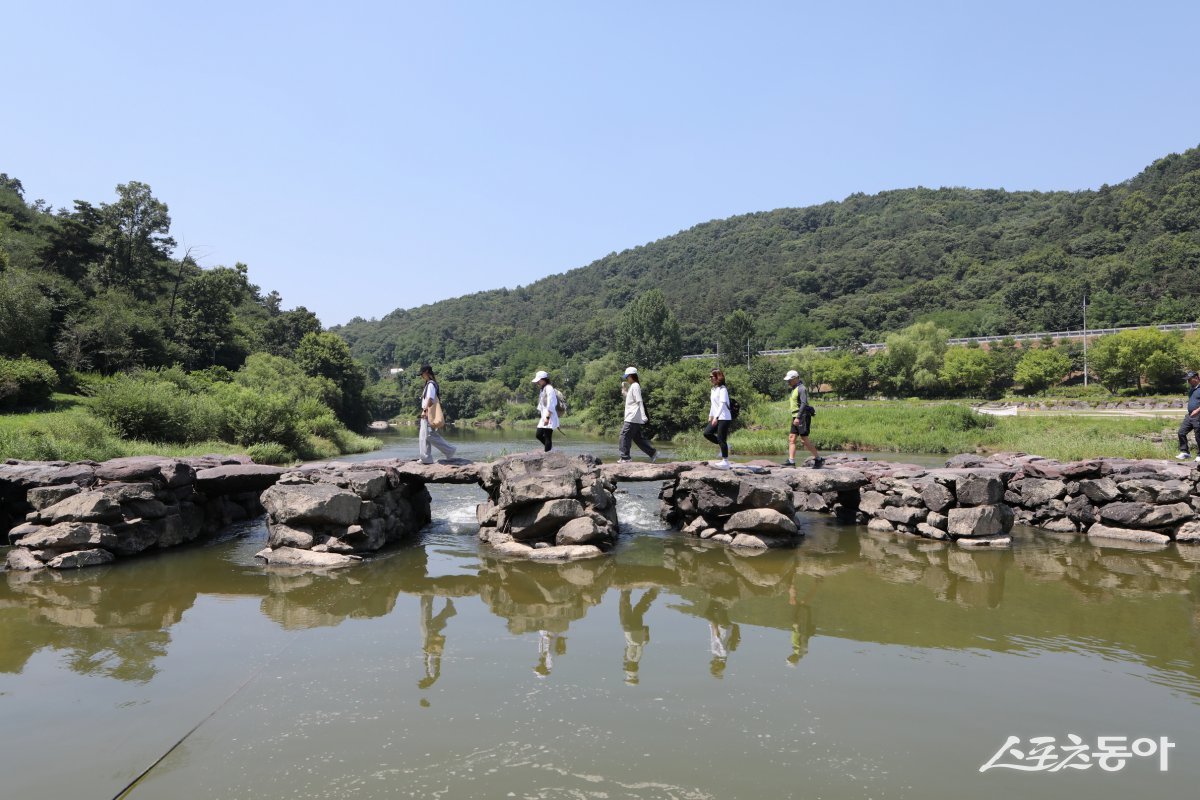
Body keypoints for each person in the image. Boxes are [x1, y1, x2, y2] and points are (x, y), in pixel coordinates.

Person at [782, 369, 824, 468]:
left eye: (790, 380)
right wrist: (795, 417)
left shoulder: (802, 388)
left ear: (796, 378)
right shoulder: (794, 389)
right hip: (795, 417)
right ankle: (791, 461)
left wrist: (798, 417)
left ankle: (819, 459)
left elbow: (804, 403)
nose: (788, 382)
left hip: (802, 416)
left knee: (804, 440)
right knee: (792, 438)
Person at [418, 364, 456, 464]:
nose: (421, 376)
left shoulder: (430, 384)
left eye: (422, 374)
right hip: (427, 412)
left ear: (426, 372)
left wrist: (425, 411)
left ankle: (449, 450)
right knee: (424, 436)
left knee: (429, 435)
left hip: (428, 413)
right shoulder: (428, 384)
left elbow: (430, 399)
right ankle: (426, 458)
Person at [619, 588, 658, 685]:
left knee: (638, 610)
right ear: (630, 668)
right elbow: (634, 646)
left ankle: (652, 594)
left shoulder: (637, 658)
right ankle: (626, 590)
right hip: (629, 629)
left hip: (637, 630)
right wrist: (626, 658)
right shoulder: (633, 658)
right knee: (624, 607)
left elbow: (640, 644)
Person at [618, 367, 657, 463]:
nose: (626, 379)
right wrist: (624, 390)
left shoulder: (635, 386)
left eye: (627, 377)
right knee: (638, 439)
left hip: (632, 417)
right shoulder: (634, 386)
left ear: (631, 376)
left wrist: (643, 416)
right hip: (634, 417)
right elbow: (631, 398)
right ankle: (652, 453)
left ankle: (625, 457)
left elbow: (639, 401)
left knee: (624, 435)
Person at [703, 368, 732, 468]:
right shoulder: (713, 389)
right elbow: (713, 405)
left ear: (717, 377)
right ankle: (725, 446)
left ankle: (725, 461)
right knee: (707, 433)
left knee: (721, 438)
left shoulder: (723, 389)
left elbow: (722, 404)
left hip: (724, 417)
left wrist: (716, 417)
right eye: (710, 377)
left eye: (711, 377)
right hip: (716, 416)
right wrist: (711, 415)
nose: (710, 379)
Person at [532, 370, 558, 452]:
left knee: (547, 436)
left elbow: (551, 404)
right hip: (544, 416)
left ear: (543, 379)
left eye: (538, 381)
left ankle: (548, 453)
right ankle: (551, 450)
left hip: (549, 415)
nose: (537, 383)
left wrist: (547, 417)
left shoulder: (549, 388)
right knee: (538, 435)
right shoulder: (543, 389)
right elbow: (541, 405)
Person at [1179, 371, 1200, 461]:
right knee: (1181, 432)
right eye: (1187, 380)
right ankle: (1185, 452)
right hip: (1190, 415)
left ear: (1196, 378)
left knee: (1198, 435)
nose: (1188, 382)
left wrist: (1197, 410)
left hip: (1198, 415)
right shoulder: (1192, 389)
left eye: (1190, 379)